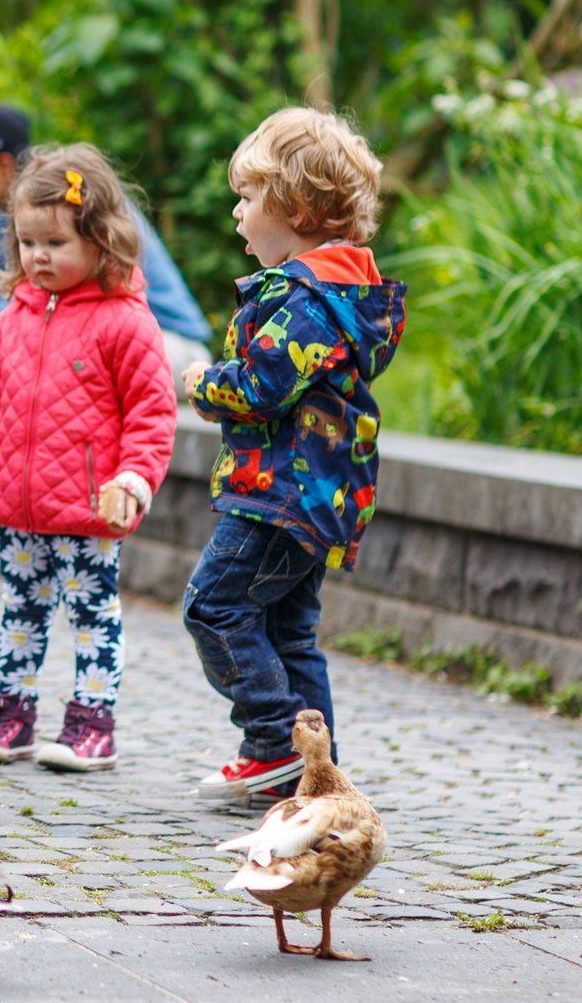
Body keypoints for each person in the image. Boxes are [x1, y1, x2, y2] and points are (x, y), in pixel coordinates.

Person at [179, 107, 406, 801]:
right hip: (320, 495)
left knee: (213, 607)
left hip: (281, 493)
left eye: (249, 198)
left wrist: (198, 385)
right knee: (288, 630)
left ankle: (273, 739)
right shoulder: (345, 293)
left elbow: (260, 385)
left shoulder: (307, 298)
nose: (238, 213)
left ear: (299, 208)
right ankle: (314, 773)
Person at [0, 145, 177, 773]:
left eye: (56, 242)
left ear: (101, 241)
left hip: (88, 509)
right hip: (18, 510)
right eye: (26, 243)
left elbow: (152, 412)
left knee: (92, 617)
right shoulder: (13, 319)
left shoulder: (126, 322)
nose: (38, 256)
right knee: (20, 612)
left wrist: (133, 479)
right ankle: (11, 716)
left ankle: (92, 724)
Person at [0, 103, 212, 569]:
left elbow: (15, 312)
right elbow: (17, 302)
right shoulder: (24, 215)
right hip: (101, 342)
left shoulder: (75, 201)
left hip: (166, 345)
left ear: (4, 166)